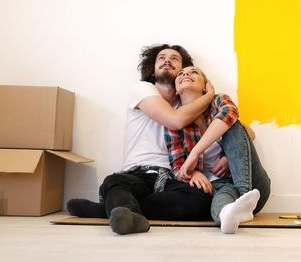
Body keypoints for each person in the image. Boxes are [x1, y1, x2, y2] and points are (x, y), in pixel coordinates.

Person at [67, 44, 217, 235]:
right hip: (137, 174)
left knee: (202, 199)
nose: (167, 60)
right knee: (114, 182)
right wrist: (209, 95)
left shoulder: (191, 102)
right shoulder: (143, 89)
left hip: (173, 177)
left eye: (174, 58)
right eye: (161, 58)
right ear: (153, 70)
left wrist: (195, 170)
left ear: (182, 71)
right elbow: (175, 120)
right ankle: (126, 213)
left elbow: (238, 131)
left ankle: (115, 210)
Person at [166, 66, 271, 234]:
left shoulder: (218, 100)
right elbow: (177, 168)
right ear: (176, 90)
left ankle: (245, 198)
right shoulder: (174, 121)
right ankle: (232, 215)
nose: (185, 74)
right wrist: (192, 174)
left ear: (205, 86)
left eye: (193, 72)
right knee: (224, 205)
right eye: (180, 73)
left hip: (253, 186)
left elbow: (237, 122)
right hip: (217, 187)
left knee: (233, 123)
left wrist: (202, 153)